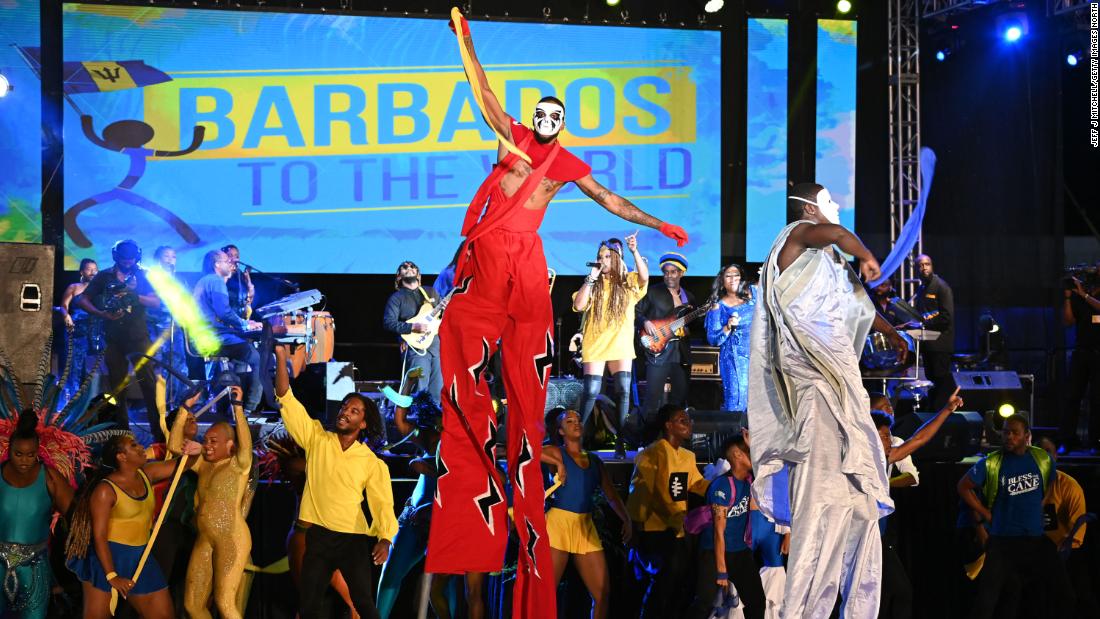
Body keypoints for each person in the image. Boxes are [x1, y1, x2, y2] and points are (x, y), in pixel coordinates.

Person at [426, 13, 689, 619]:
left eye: (554, 119)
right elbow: (483, 92)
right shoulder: (512, 139)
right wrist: (466, 42)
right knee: (470, 356)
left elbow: (609, 198)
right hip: (489, 254)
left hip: (524, 264)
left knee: (527, 359)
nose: (544, 124)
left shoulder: (566, 165)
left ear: (564, 125)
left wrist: (656, 224)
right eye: (540, 115)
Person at [747, 182, 907, 618]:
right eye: (829, 200)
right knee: (819, 502)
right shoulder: (797, 236)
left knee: (858, 503)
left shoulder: (828, 261)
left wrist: (890, 332)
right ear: (809, 206)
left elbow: (857, 306)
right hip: (814, 386)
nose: (835, 207)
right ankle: (801, 608)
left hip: (841, 386)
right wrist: (868, 255)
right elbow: (838, 235)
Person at [273, 343, 397, 619]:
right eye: (344, 407)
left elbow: (382, 503)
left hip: (351, 540)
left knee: (363, 604)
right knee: (309, 606)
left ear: (363, 424)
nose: (345, 412)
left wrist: (385, 539)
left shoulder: (370, 461)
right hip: (318, 537)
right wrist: (281, 358)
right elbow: (286, 398)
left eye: (354, 411)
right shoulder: (318, 439)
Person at [65, 433, 200, 619]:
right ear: (122, 456)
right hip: (107, 559)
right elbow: (99, 536)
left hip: (140, 556)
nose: (141, 448)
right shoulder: (105, 490)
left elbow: (182, 464)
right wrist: (111, 575)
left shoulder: (147, 473)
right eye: (134, 445)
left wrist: (194, 452)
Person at [957, 414, 1075, 619]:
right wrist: (985, 513)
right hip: (1003, 541)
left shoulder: (1042, 459)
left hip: (1034, 540)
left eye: (1014, 433)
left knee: (1059, 595)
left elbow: (1049, 483)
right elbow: (963, 486)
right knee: (987, 601)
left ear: (1027, 436)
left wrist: (1038, 503)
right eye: (1005, 432)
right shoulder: (992, 462)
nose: (1009, 437)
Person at [872, 389, 964, 619]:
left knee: (898, 593)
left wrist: (947, 409)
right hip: (860, 537)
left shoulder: (889, 456)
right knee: (876, 596)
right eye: (883, 436)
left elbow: (919, 439)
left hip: (881, 536)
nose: (889, 440)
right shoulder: (856, 459)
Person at [168, 385, 253, 619]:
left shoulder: (238, 465)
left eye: (214, 441)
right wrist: (185, 409)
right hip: (205, 538)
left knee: (225, 603)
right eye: (206, 440)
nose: (207, 445)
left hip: (231, 538)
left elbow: (246, 445)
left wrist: (238, 407)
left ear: (229, 445)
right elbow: (175, 447)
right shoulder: (203, 465)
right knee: (192, 605)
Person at [544, 409, 631, 619]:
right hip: (558, 524)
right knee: (546, 593)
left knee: (602, 592)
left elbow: (611, 495)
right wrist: (556, 464)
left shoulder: (594, 461)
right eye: (570, 421)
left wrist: (627, 519)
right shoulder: (556, 452)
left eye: (579, 420)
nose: (576, 423)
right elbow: (525, 451)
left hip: (585, 526)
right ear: (560, 431)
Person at [75, 239, 165, 441]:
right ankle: (122, 433)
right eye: (123, 259)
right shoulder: (104, 276)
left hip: (138, 337)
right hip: (113, 338)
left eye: (131, 259)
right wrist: (101, 313)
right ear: (116, 256)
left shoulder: (143, 275)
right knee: (117, 387)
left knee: (149, 384)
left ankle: (158, 434)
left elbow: (156, 302)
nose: (127, 262)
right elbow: (81, 300)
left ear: (137, 257)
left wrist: (135, 296)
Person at [626, 405, 708, 617]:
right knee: (663, 585)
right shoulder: (652, 454)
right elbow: (645, 492)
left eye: (688, 421)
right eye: (682, 421)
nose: (688, 424)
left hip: (678, 530)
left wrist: (722, 486)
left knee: (679, 584)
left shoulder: (687, 456)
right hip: (656, 530)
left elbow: (696, 483)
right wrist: (635, 527)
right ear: (668, 425)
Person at [571, 235, 648, 457]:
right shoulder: (594, 284)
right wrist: (590, 278)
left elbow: (644, 276)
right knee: (591, 391)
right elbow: (579, 305)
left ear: (616, 259)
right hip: (595, 342)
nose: (602, 260)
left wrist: (634, 251)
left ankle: (620, 442)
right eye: (599, 256)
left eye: (607, 256)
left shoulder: (628, 282)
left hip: (620, 343)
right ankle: (580, 440)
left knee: (623, 391)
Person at [377, 383, 447, 619]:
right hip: (416, 518)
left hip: (447, 518)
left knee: (446, 584)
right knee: (392, 574)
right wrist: (406, 382)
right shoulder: (429, 432)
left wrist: (434, 470)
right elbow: (400, 421)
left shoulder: (468, 435)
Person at [0, 411, 75, 619]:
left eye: (30, 455)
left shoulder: (51, 478)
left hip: (34, 569)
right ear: (9, 450)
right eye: (18, 454)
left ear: (37, 452)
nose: (24, 461)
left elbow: (78, 520)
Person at [689, 435, 766, 619]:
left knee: (757, 602)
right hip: (714, 553)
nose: (754, 454)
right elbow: (718, 532)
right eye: (749, 451)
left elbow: (767, 466)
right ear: (737, 455)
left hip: (740, 551)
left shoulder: (748, 480)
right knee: (704, 605)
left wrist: (750, 444)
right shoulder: (722, 485)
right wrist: (722, 571)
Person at [193, 250, 263, 415]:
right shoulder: (216, 281)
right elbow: (224, 312)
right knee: (258, 358)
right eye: (226, 261)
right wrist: (245, 326)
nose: (231, 264)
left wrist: (243, 323)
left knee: (241, 356)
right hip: (215, 339)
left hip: (206, 337)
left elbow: (217, 315)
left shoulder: (205, 281)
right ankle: (249, 408)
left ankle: (231, 404)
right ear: (217, 264)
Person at [1038, 437, 1097, 617]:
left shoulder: (1068, 485)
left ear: (1056, 455)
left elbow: (1077, 531)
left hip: (1064, 554)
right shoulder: (1022, 484)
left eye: (1048, 451)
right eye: (1039, 451)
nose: (1044, 456)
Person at [636, 253, 697, 422]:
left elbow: (695, 325)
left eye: (673, 272)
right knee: (652, 399)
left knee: (679, 398)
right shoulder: (653, 292)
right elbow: (636, 311)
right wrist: (645, 322)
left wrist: (689, 329)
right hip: (658, 352)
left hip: (681, 353)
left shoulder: (689, 297)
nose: (669, 275)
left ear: (681, 273)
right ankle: (647, 437)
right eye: (666, 272)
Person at [382, 261, 444, 406]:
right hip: (415, 347)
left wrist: (446, 309)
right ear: (399, 276)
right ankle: (415, 422)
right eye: (404, 267)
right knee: (419, 387)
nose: (409, 268)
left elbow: (442, 318)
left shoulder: (430, 292)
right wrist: (411, 328)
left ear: (418, 274)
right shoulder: (396, 298)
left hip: (435, 344)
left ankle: (435, 425)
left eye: (412, 266)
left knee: (438, 389)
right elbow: (388, 322)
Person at [1059, 265, 1100, 453]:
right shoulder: (1078, 296)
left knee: (1096, 398)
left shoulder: (1087, 296)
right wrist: (1068, 297)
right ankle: (1068, 440)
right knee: (1072, 396)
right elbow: (1068, 322)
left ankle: (1095, 442)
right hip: (1082, 351)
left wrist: (1084, 295)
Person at [705, 264, 756, 412]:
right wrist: (727, 327)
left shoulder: (754, 294)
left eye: (736, 275)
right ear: (722, 280)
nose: (733, 279)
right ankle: (735, 434)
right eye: (728, 275)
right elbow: (713, 339)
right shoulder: (717, 306)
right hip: (735, 360)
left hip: (758, 357)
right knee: (737, 400)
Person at [147, 246, 189, 412]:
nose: (171, 259)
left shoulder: (179, 279)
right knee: (158, 364)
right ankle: (158, 403)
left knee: (178, 364)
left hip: (175, 326)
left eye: (174, 256)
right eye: (167, 255)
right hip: (156, 326)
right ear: (158, 259)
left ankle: (177, 403)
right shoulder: (151, 278)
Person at [912, 254, 955, 412]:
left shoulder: (941, 287)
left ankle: (942, 418)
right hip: (928, 344)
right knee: (932, 384)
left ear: (932, 266)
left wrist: (923, 324)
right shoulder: (922, 288)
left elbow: (946, 318)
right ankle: (932, 416)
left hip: (940, 344)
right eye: (921, 265)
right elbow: (921, 314)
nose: (924, 267)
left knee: (941, 384)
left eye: (927, 264)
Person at [60, 258, 100, 402]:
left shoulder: (100, 288)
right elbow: (63, 306)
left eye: (95, 269)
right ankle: (72, 400)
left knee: (92, 368)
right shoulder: (74, 287)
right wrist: (66, 316)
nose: (93, 272)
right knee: (74, 366)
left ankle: (92, 401)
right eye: (89, 269)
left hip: (96, 331)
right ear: (82, 271)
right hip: (77, 330)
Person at [221, 245, 254, 320]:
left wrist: (248, 281)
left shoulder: (240, 274)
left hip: (240, 319)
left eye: (237, 256)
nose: (234, 259)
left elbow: (249, 299)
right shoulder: (220, 275)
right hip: (226, 320)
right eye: (230, 256)